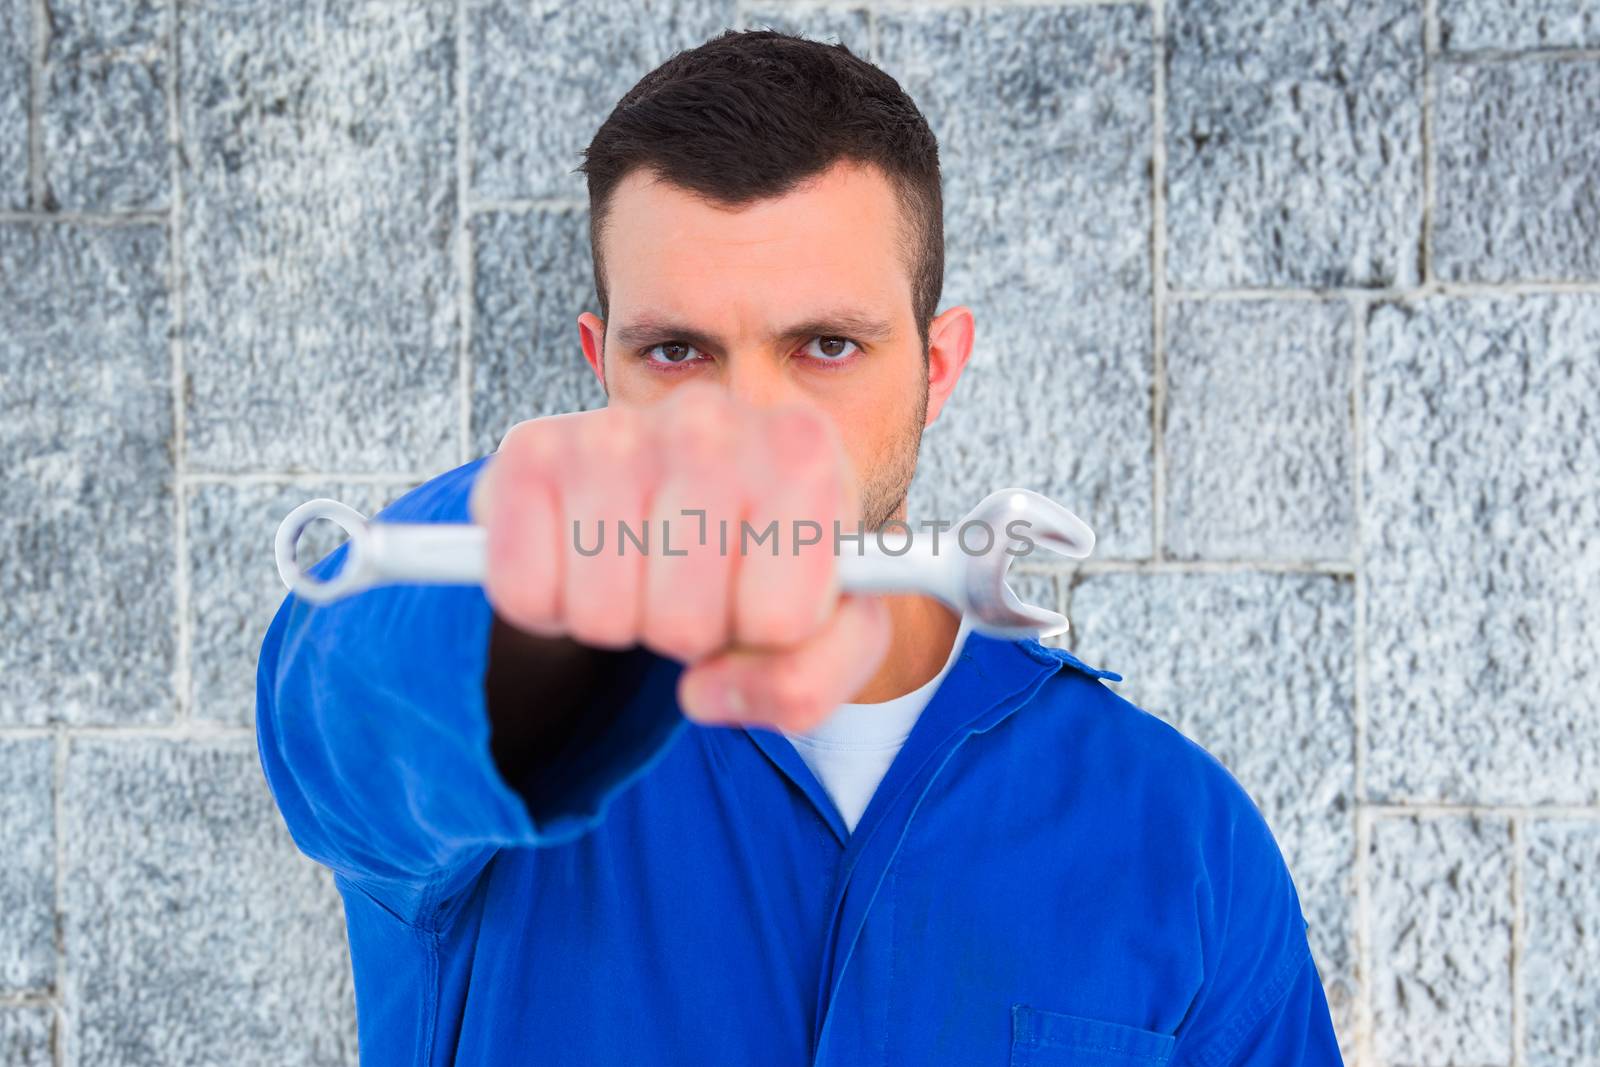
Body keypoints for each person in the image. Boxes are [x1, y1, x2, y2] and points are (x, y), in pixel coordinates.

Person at [256, 28, 1344, 1066]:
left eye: (827, 346)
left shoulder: (1178, 833)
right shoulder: (469, 791)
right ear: (602, 365)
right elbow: (349, 697)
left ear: (937, 363)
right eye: (678, 351)